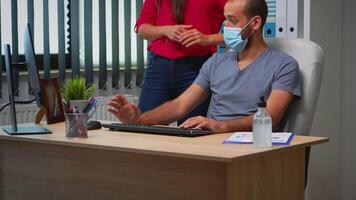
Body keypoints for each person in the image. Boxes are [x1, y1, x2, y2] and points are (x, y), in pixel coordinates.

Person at [108, 0, 302, 133]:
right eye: (225, 19)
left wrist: (221, 126)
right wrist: (138, 119)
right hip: (212, 143)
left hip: (249, 145)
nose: (225, 26)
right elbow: (179, 106)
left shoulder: (284, 65)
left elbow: (272, 117)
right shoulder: (215, 63)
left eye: (232, 20)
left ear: (256, 23)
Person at [135, 0, 227, 125]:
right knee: (144, 126)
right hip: (159, 67)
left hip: (197, 69)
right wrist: (165, 30)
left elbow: (242, 31)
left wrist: (207, 38)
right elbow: (142, 29)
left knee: (190, 129)